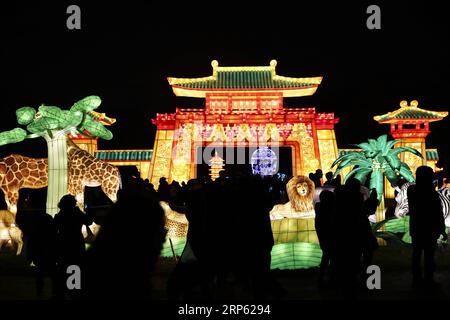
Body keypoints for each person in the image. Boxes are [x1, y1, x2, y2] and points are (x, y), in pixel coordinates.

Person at [408, 166, 447, 288]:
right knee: (429, 256)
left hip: (416, 228)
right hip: (429, 229)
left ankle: (417, 280)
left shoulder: (412, 190)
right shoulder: (431, 193)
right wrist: (442, 229)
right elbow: (437, 212)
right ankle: (428, 280)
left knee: (417, 255)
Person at [315, 190, 336, 287]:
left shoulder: (319, 208)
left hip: (323, 237)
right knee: (330, 257)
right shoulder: (327, 210)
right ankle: (329, 279)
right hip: (329, 237)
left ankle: (322, 278)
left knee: (326, 257)